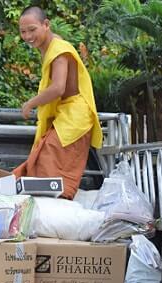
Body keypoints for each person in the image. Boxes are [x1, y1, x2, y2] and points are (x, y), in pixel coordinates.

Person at [13, 6, 103, 200]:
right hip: (66, 114)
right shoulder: (53, 45)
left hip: (75, 116)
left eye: (32, 29)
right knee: (41, 159)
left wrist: (31, 103)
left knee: (49, 160)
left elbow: (58, 88)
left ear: (46, 25)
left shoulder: (59, 50)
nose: (27, 36)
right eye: (23, 31)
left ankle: (55, 206)